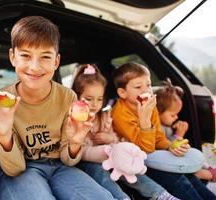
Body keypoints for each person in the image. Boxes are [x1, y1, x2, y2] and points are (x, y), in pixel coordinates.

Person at [0, 16, 114, 200]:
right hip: (22, 171)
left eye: (45, 57)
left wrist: (75, 142)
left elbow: (68, 160)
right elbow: (14, 169)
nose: (34, 67)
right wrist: (4, 135)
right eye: (25, 55)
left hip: (60, 167)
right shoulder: (3, 102)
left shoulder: (68, 97)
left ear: (56, 62)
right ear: (12, 57)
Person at [72, 63, 179, 200]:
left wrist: (110, 139)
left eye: (99, 99)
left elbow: (117, 140)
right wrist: (108, 150)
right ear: (75, 96)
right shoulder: (74, 121)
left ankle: (160, 195)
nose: (94, 104)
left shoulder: (104, 117)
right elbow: (78, 151)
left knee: (127, 168)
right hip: (87, 161)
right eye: (88, 99)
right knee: (100, 172)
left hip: (109, 156)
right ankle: (122, 198)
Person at [111, 62, 216, 200]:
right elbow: (146, 149)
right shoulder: (120, 114)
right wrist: (145, 119)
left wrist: (170, 146)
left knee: (189, 176)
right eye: (138, 87)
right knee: (176, 180)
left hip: (152, 156)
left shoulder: (149, 105)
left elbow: (158, 138)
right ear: (122, 93)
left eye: (148, 85)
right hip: (135, 162)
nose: (146, 90)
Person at [155, 78, 216, 183]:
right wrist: (179, 135)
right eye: (172, 114)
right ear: (157, 112)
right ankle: (199, 173)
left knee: (190, 150)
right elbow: (167, 149)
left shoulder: (167, 125)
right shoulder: (159, 129)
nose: (176, 117)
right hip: (166, 160)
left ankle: (205, 168)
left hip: (173, 154)